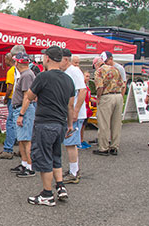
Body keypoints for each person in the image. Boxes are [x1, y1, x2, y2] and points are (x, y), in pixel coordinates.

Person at [26, 46, 75, 207]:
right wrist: (69, 124)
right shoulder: (68, 79)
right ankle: (60, 186)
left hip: (45, 123)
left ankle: (47, 194)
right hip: (61, 123)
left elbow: (31, 95)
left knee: (43, 157)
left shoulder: (43, 76)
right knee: (56, 155)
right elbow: (70, 105)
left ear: (47, 58)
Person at [60, 49, 87, 184]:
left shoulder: (74, 72)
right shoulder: (68, 72)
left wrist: (75, 111)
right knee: (69, 143)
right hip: (71, 113)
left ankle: (73, 172)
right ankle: (73, 169)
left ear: (65, 59)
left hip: (74, 114)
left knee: (71, 142)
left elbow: (82, 90)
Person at [0, 45, 25, 159]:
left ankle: (8, 149)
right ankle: (22, 149)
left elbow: (10, 87)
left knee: (10, 123)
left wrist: (6, 98)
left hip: (13, 99)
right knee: (20, 124)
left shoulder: (11, 71)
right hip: (22, 100)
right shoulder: (24, 70)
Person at [9, 52, 37, 178]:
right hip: (20, 109)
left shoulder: (26, 75)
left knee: (26, 140)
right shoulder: (26, 74)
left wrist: (21, 114)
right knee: (22, 139)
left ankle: (30, 167)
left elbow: (27, 96)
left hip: (22, 109)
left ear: (17, 63)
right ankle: (24, 163)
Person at [92, 51, 125, 156]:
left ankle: (104, 147)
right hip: (118, 95)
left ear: (98, 63)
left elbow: (100, 86)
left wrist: (98, 98)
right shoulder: (115, 69)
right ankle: (114, 146)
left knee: (104, 123)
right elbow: (122, 84)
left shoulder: (99, 71)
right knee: (116, 123)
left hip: (107, 97)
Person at [78, 71, 93, 149]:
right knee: (80, 126)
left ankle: (82, 139)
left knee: (83, 126)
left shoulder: (87, 88)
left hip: (87, 109)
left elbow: (89, 98)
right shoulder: (81, 87)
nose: (88, 78)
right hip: (82, 108)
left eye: (89, 76)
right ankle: (78, 141)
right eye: (86, 76)